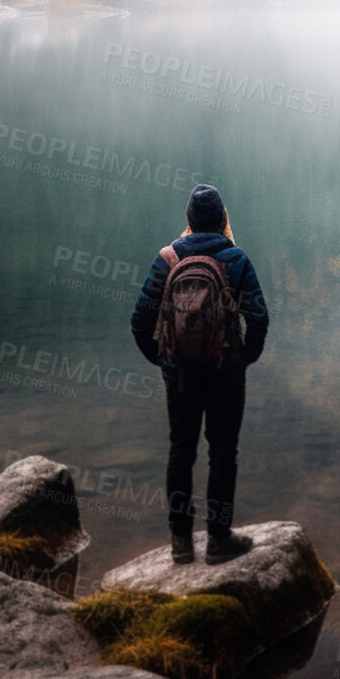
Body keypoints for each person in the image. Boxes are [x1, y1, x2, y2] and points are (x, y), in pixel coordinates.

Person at [131, 183, 268, 564]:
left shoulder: (168, 258)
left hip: (180, 373)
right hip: (226, 370)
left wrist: (163, 360)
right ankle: (219, 540)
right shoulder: (236, 258)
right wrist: (244, 358)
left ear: (189, 221)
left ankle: (180, 544)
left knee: (181, 452)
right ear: (223, 218)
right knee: (224, 453)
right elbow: (258, 317)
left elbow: (140, 321)